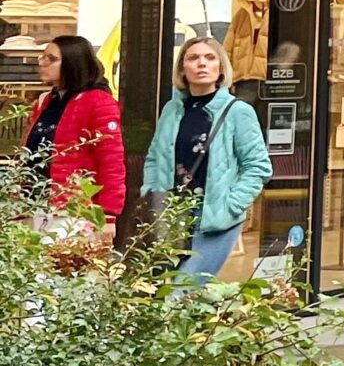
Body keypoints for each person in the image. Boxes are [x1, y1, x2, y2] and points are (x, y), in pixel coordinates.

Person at [141, 36, 272, 281]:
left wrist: (231, 205)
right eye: (193, 58)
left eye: (209, 58)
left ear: (220, 67)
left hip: (213, 217)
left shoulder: (238, 111)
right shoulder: (172, 109)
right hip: (170, 212)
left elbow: (258, 167)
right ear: (182, 68)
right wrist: (150, 192)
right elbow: (154, 158)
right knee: (160, 291)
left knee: (184, 291)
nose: (201, 63)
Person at [22, 35, 125, 232]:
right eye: (42, 58)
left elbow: (111, 163)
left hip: (74, 211)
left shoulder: (98, 102)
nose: (42, 63)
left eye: (51, 59)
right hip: (34, 206)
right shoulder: (45, 101)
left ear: (72, 63)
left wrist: (108, 215)